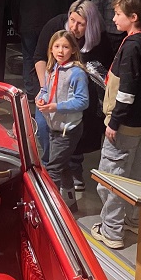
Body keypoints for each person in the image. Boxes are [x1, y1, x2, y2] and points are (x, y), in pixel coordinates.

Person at [92, 0, 141, 250]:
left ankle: (111, 230)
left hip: (124, 123)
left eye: (118, 14)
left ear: (133, 17)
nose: (113, 18)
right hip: (139, 122)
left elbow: (127, 91)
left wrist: (114, 122)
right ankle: (133, 219)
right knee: (132, 174)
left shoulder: (132, 47)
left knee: (112, 177)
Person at [34, 0, 114, 184]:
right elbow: (39, 57)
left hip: (77, 101)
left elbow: (87, 95)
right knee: (44, 129)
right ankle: (56, 169)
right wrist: (45, 90)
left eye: (80, 24)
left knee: (71, 137)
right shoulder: (55, 27)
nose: (74, 27)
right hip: (52, 96)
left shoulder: (79, 69)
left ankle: (66, 171)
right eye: (72, 20)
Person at [36, 30, 89, 212]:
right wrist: (41, 98)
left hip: (68, 130)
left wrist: (56, 107)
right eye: (57, 46)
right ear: (51, 49)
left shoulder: (77, 73)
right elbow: (46, 90)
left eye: (65, 47)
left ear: (73, 49)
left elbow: (82, 101)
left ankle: (48, 210)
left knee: (52, 170)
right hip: (54, 127)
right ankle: (70, 204)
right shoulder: (52, 69)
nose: (60, 50)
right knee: (62, 165)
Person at [12, 0, 67, 97]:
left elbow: (16, 3)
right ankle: (47, 90)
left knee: (29, 57)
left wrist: (16, 24)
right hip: (51, 28)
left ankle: (31, 91)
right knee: (49, 58)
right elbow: (63, 5)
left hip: (27, 25)